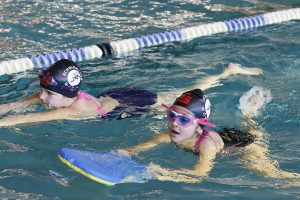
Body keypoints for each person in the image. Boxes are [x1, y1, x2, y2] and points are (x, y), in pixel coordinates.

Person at [0, 59, 262, 127]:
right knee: (182, 93)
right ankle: (227, 71)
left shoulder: (74, 109)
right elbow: (14, 107)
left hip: (133, 105)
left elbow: (24, 119)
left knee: (184, 97)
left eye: (48, 93)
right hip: (114, 95)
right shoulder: (56, 95)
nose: (42, 97)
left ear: (66, 94)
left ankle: (227, 73)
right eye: (42, 91)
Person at [119, 87, 300, 183]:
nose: (174, 122)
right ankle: (248, 115)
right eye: (171, 115)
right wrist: (124, 152)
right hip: (229, 135)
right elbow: (139, 147)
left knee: (270, 175)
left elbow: (200, 175)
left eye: (183, 120)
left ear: (199, 124)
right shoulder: (169, 133)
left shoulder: (207, 145)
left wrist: (164, 173)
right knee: (248, 126)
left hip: (247, 146)